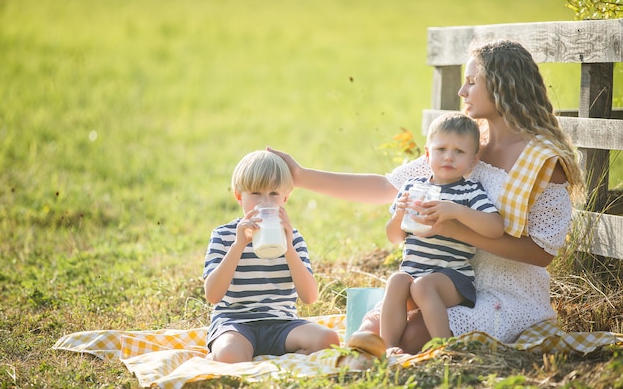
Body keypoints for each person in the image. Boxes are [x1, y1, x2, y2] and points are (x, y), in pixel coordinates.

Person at [268, 39, 585, 354]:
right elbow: (385, 187)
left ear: (504, 87)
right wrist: (300, 175)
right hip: (438, 278)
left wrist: (456, 230)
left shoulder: (542, 161)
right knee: (372, 329)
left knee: (412, 337)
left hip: (506, 293)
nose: (462, 92)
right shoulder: (463, 146)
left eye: (472, 82)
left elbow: (542, 253)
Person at [381, 112, 504, 354]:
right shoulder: (413, 188)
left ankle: (444, 350)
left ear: (473, 160)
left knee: (423, 287)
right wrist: (398, 216)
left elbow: (495, 227)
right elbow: (395, 237)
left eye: (459, 152)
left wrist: (457, 212)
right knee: (396, 280)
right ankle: (387, 349)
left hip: (453, 279)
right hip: (414, 272)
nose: (448, 157)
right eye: (441, 149)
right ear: (427, 154)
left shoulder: (469, 192)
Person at [203, 150, 339, 363]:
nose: (264, 203)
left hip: (281, 323)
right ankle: (235, 354)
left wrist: (288, 248)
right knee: (230, 353)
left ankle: (273, 358)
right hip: (235, 323)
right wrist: (239, 245)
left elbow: (310, 297)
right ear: (239, 196)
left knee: (328, 339)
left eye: (274, 194)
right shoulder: (224, 236)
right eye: (256, 193)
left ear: (286, 197)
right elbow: (212, 295)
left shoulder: (293, 238)